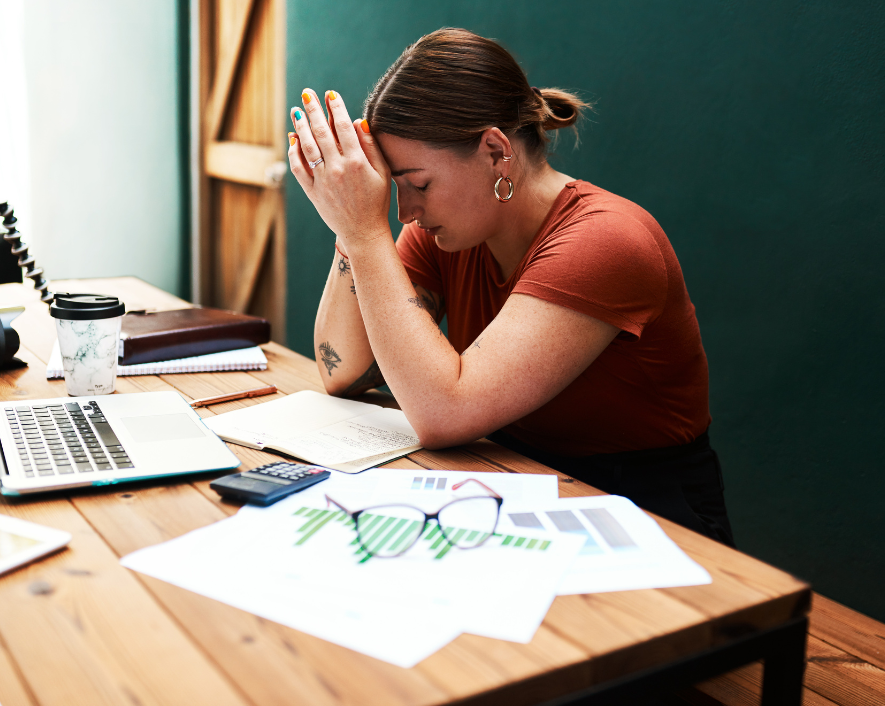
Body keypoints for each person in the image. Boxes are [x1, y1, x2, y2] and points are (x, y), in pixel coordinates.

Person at [286, 28, 734, 546]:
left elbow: (444, 413)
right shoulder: (450, 231)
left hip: (644, 515)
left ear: (496, 151)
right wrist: (349, 227)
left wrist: (366, 233)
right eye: (393, 188)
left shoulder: (607, 239)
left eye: (419, 184)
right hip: (511, 480)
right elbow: (342, 370)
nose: (404, 212)